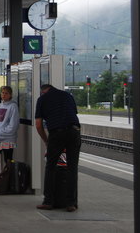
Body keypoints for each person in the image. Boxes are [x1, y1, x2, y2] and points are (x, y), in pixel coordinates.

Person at [35, 84, 81, 212]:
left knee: (51, 166)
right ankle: (71, 203)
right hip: (74, 131)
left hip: (57, 133)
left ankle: (48, 201)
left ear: (43, 91)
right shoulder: (67, 95)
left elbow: (38, 125)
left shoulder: (42, 99)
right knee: (72, 168)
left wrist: (46, 140)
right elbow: (73, 113)